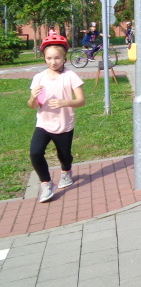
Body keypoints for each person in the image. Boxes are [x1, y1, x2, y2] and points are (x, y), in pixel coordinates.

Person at [27, 32, 86, 203]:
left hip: (64, 123)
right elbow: (32, 105)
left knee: (64, 155)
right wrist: (33, 98)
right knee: (35, 152)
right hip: (43, 123)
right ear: (44, 58)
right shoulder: (39, 77)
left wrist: (65, 103)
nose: (53, 62)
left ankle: (66, 171)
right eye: (49, 58)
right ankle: (46, 183)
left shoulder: (70, 76)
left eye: (57, 58)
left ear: (64, 57)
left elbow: (81, 101)